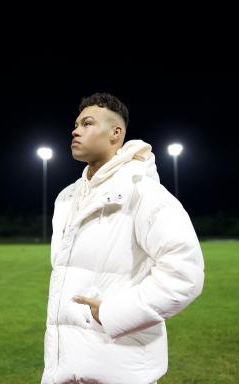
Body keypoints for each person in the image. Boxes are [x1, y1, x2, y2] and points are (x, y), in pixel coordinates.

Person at [41, 92, 205, 384]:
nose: (75, 130)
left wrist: (112, 312)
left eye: (87, 123)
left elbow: (184, 275)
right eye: (76, 124)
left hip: (122, 368)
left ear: (116, 134)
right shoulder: (67, 197)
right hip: (66, 370)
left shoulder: (143, 192)